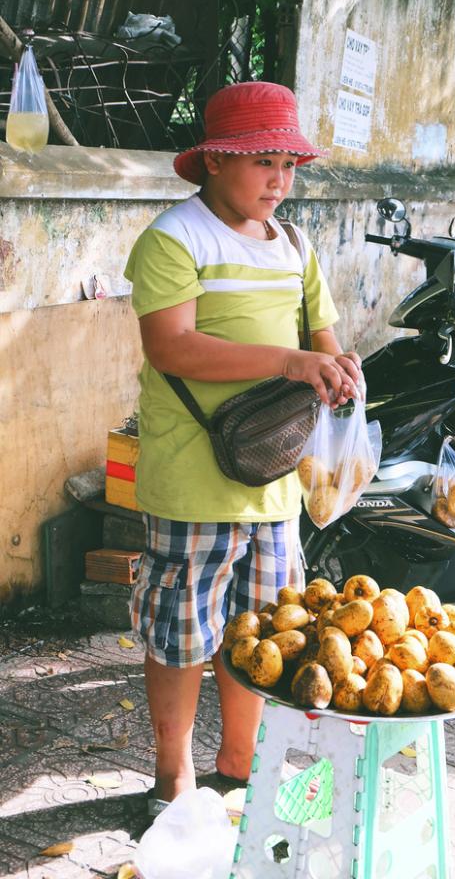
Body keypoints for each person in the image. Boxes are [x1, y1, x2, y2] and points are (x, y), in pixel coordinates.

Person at [124, 81, 360, 817]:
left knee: (259, 632)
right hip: (192, 476)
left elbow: (321, 336)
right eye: (264, 162)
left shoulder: (294, 243)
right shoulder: (174, 238)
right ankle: (173, 777)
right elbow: (173, 347)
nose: (280, 182)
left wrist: (338, 369)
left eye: (290, 165)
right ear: (216, 162)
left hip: (275, 478)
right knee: (181, 634)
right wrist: (287, 363)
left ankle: (236, 765)